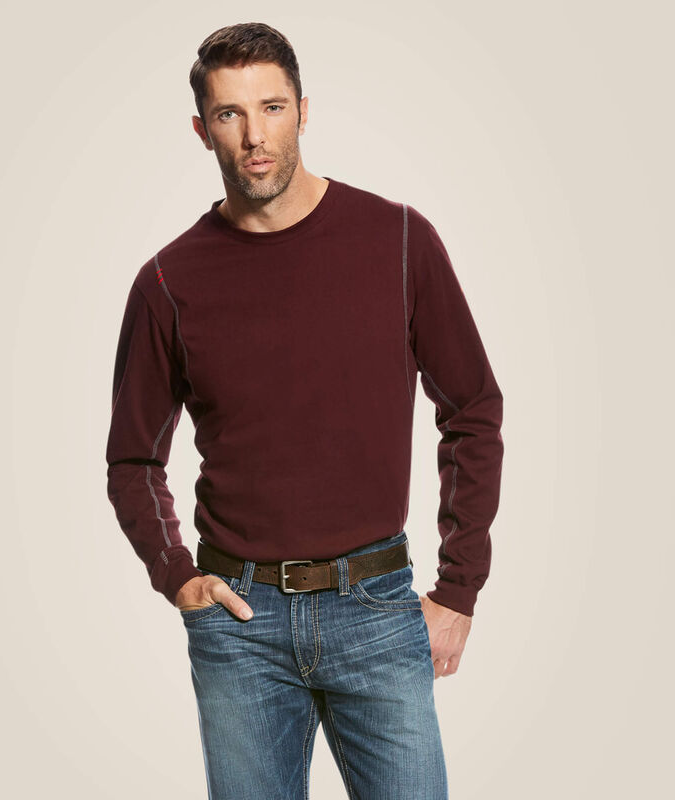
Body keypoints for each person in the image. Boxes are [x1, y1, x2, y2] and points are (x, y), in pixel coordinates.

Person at [105, 21, 504, 800]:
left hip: (375, 604)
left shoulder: (398, 241)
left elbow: (473, 409)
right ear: (202, 129)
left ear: (304, 110)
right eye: (230, 113)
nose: (255, 136)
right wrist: (176, 576)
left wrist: (460, 589)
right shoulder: (168, 284)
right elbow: (133, 460)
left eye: (272, 107)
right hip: (239, 624)